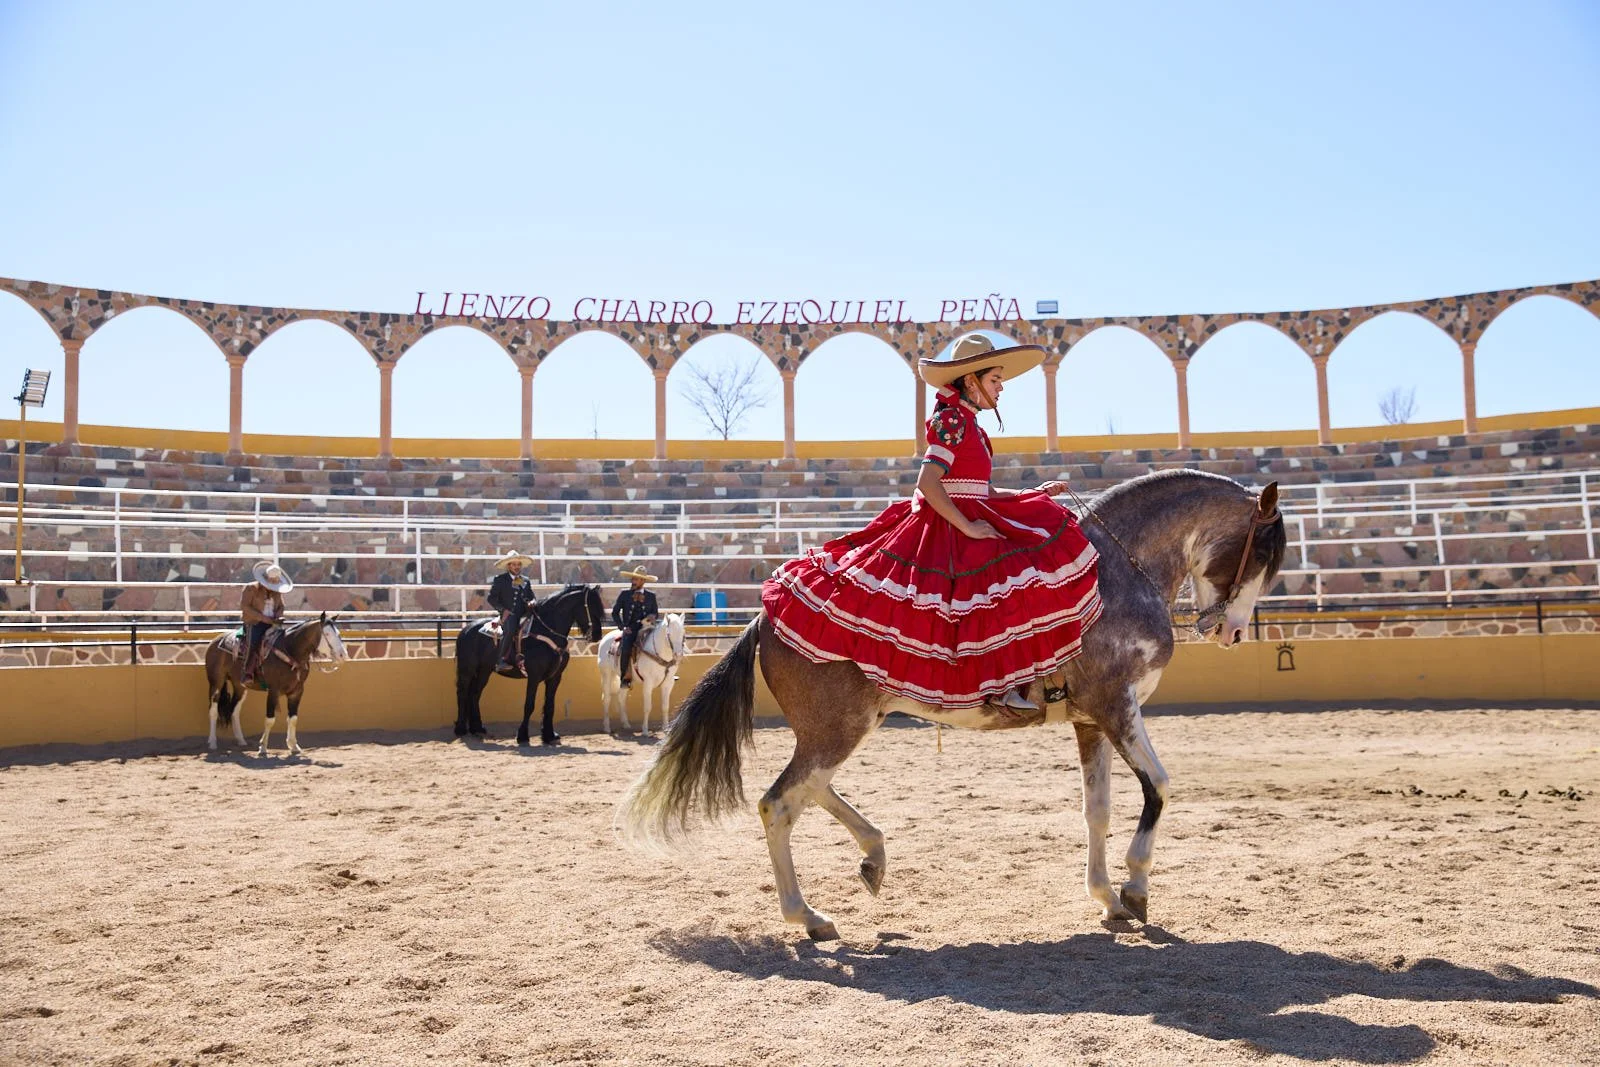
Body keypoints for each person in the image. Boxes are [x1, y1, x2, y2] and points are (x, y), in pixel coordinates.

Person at [762, 333, 1103, 712]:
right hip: (946, 528)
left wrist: (1031, 493)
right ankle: (1000, 688)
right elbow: (928, 481)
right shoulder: (952, 419)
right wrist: (968, 528)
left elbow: (978, 489)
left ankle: (1015, 684)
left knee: (1012, 584)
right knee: (992, 590)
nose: (1001, 387)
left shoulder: (970, 423)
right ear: (971, 382)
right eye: (995, 380)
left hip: (970, 512)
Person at [241, 560, 293, 686]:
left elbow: (281, 606)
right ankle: (248, 672)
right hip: (254, 623)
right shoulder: (251, 589)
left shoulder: (277, 592)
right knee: (254, 643)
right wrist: (264, 619)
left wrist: (278, 616)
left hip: (273, 623)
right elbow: (245, 607)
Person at [489, 550, 537, 675]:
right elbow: (491, 598)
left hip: (524, 614)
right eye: (514, 564)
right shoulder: (500, 580)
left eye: (519, 564)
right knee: (510, 629)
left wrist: (532, 602)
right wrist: (502, 610)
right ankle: (500, 660)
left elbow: (531, 596)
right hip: (508, 614)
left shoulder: (525, 580)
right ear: (509, 566)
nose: (517, 567)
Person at [611, 567, 660, 689]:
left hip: (647, 627)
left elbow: (655, 613)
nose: (633, 581)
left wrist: (651, 617)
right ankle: (625, 678)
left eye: (636, 579)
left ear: (643, 581)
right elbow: (615, 613)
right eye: (633, 578)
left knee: (662, 642)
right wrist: (623, 627)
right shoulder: (625, 594)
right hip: (631, 629)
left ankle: (666, 672)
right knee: (626, 647)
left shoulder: (651, 596)